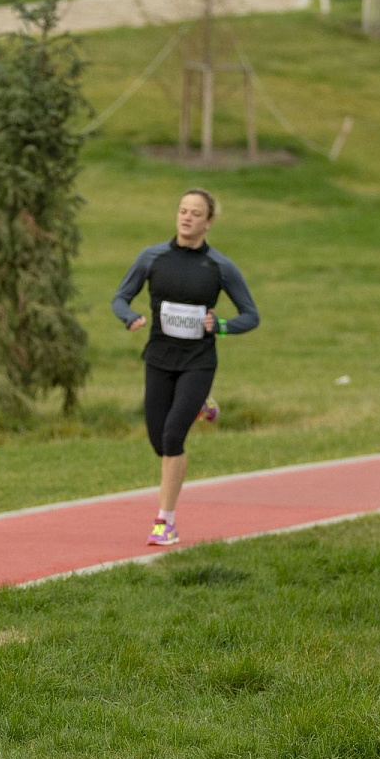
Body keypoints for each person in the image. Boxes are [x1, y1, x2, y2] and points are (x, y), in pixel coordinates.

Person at [111, 189, 260, 546]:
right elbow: (119, 298)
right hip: (159, 359)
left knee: (173, 438)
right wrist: (129, 317)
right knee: (158, 442)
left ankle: (166, 521)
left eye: (195, 213)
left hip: (198, 362)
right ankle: (201, 406)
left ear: (208, 222)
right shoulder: (153, 258)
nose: (186, 217)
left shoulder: (220, 267)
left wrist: (221, 326)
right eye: (182, 210)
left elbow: (251, 315)